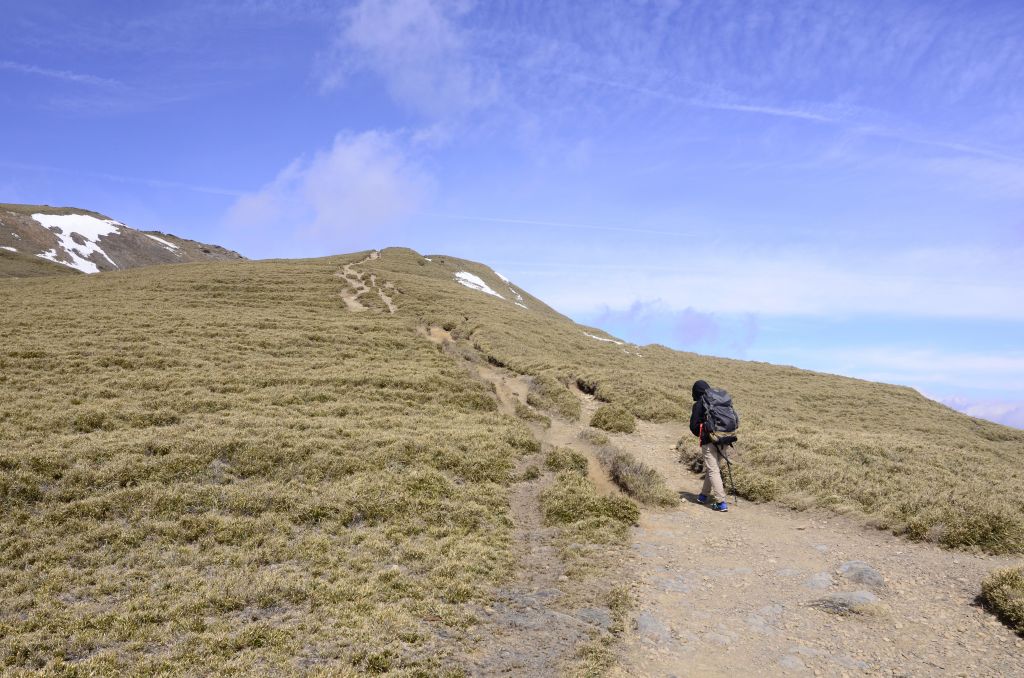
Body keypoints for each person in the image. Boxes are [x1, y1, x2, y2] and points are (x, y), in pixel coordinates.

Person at [690, 380, 729, 512]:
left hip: (709, 440)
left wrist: (703, 432)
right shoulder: (718, 401)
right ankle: (703, 496)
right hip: (725, 438)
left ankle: (721, 502)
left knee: (713, 469)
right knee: (713, 467)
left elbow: (694, 427)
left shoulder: (699, 404)